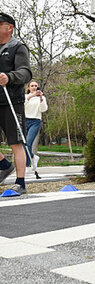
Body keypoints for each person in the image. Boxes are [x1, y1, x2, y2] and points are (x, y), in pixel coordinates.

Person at [0, 13, 32, 194]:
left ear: (9, 27)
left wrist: (9, 77)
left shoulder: (17, 47)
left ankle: (21, 182)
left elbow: (26, 73)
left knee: (16, 142)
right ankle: (4, 165)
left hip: (12, 100)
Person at [25, 80, 48, 170]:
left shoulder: (41, 98)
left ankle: (27, 166)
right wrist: (31, 96)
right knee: (24, 144)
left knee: (28, 142)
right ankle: (33, 157)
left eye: (35, 86)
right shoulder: (26, 97)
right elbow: (23, 105)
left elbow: (43, 109)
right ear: (29, 87)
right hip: (25, 120)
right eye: (32, 86)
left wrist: (41, 98)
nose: (34, 87)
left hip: (35, 121)